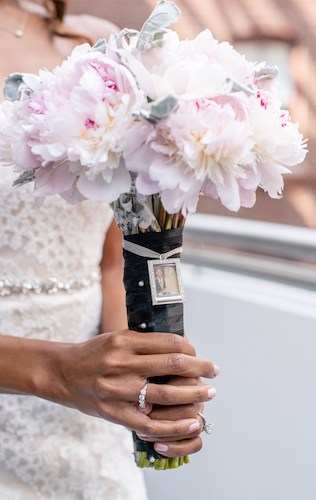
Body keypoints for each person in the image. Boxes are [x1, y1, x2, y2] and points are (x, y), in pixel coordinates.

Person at [0, 1, 219, 498]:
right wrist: (56, 372)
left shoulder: (94, 52)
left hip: (87, 427)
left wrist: (136, 380)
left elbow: (110, 260)